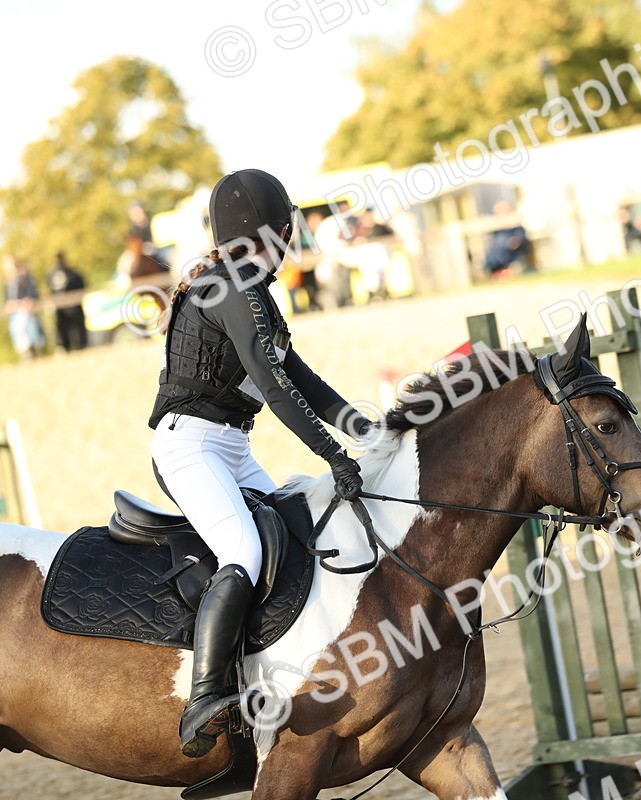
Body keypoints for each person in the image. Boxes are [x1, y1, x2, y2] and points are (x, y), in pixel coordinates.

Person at [149, 169, 372, 759]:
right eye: (284, 231)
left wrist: (371, 433)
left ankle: (271, 674)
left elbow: (307, 383)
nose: (290, 241)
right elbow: (275, 391)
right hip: (189, 446)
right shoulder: (225, 290)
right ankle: (204, 699)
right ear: (261, 234)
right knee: (244, 552)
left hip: (231, 447)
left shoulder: (257, 297)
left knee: (295, 539)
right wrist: (331, 454)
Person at [2, 255, 45, 359]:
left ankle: (36, 351)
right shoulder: (7, 282)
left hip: (25, 309)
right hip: (15, 312)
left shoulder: (24, 277)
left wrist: (29, 300)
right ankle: (27, 354)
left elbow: (32, 292)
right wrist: (8, 304)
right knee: (19, 333)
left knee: (30, 329)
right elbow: (6, 298)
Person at [47, 252, 87, 352]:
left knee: (65, 328)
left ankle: (70, 345)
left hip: (63, 306)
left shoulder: (52, 274)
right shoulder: (71, 272)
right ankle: (78, 345)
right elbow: (80, 282)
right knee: (71, 328)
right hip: (71, 306)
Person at [484, 200, 531, 278]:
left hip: (511, 250)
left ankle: (504, 271)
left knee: (502, 242)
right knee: (495, 248)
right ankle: (497, 271)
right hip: (498, 252)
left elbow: (519, 237)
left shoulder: (516, 221)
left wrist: (515, 241)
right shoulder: (495, 223)